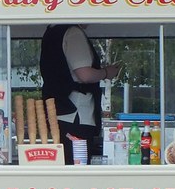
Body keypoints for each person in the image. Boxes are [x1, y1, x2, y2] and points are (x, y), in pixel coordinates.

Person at [40, 24, 120, 164]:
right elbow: (84, 75)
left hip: (57, 110)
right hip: (75, 114)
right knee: (77, 167)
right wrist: (107, 72)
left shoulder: (51, 32)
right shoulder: (72, 32)